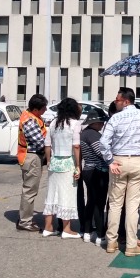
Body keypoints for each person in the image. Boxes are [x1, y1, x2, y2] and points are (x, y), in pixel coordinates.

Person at [99, 87, 140, 256]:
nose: (115, 102)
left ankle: (111, 242)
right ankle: (131, 244)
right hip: (138, 161)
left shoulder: (115, 118)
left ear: (126, 101)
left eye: (117, 100)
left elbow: (104, 142)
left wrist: (109, 161)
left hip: (119, 160)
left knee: (115, 204)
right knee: (132, 206)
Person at [42, 98, 82, 239]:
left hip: (54, 162)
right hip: (67, 162)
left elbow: (47, 144)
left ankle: (48, 227)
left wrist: (48, 161)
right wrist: (78, 166)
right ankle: (67, 229)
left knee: (51, 195)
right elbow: (76, 146)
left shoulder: (53, 123)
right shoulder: (75, 124)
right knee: (67, 195)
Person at [16, 94, 49, 232]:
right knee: (30, 190)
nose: (46, 110)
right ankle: (25, 221)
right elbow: (41, 142)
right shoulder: (30, 121)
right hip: (32, 157)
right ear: (36, 109)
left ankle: (25, 218)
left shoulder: (31, 116)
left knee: (29, 190)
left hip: (31, 157)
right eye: (43, 108)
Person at [79, 108, 108, 245]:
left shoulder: (85, 133)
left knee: (91, 201)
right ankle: (100, 235)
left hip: (88, 170)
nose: (102, 124)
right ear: (94, 122)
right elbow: (101, 152)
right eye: (101, 122)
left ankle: (86, 231)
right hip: (98, 171)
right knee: (99, 203)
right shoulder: (93, 135)